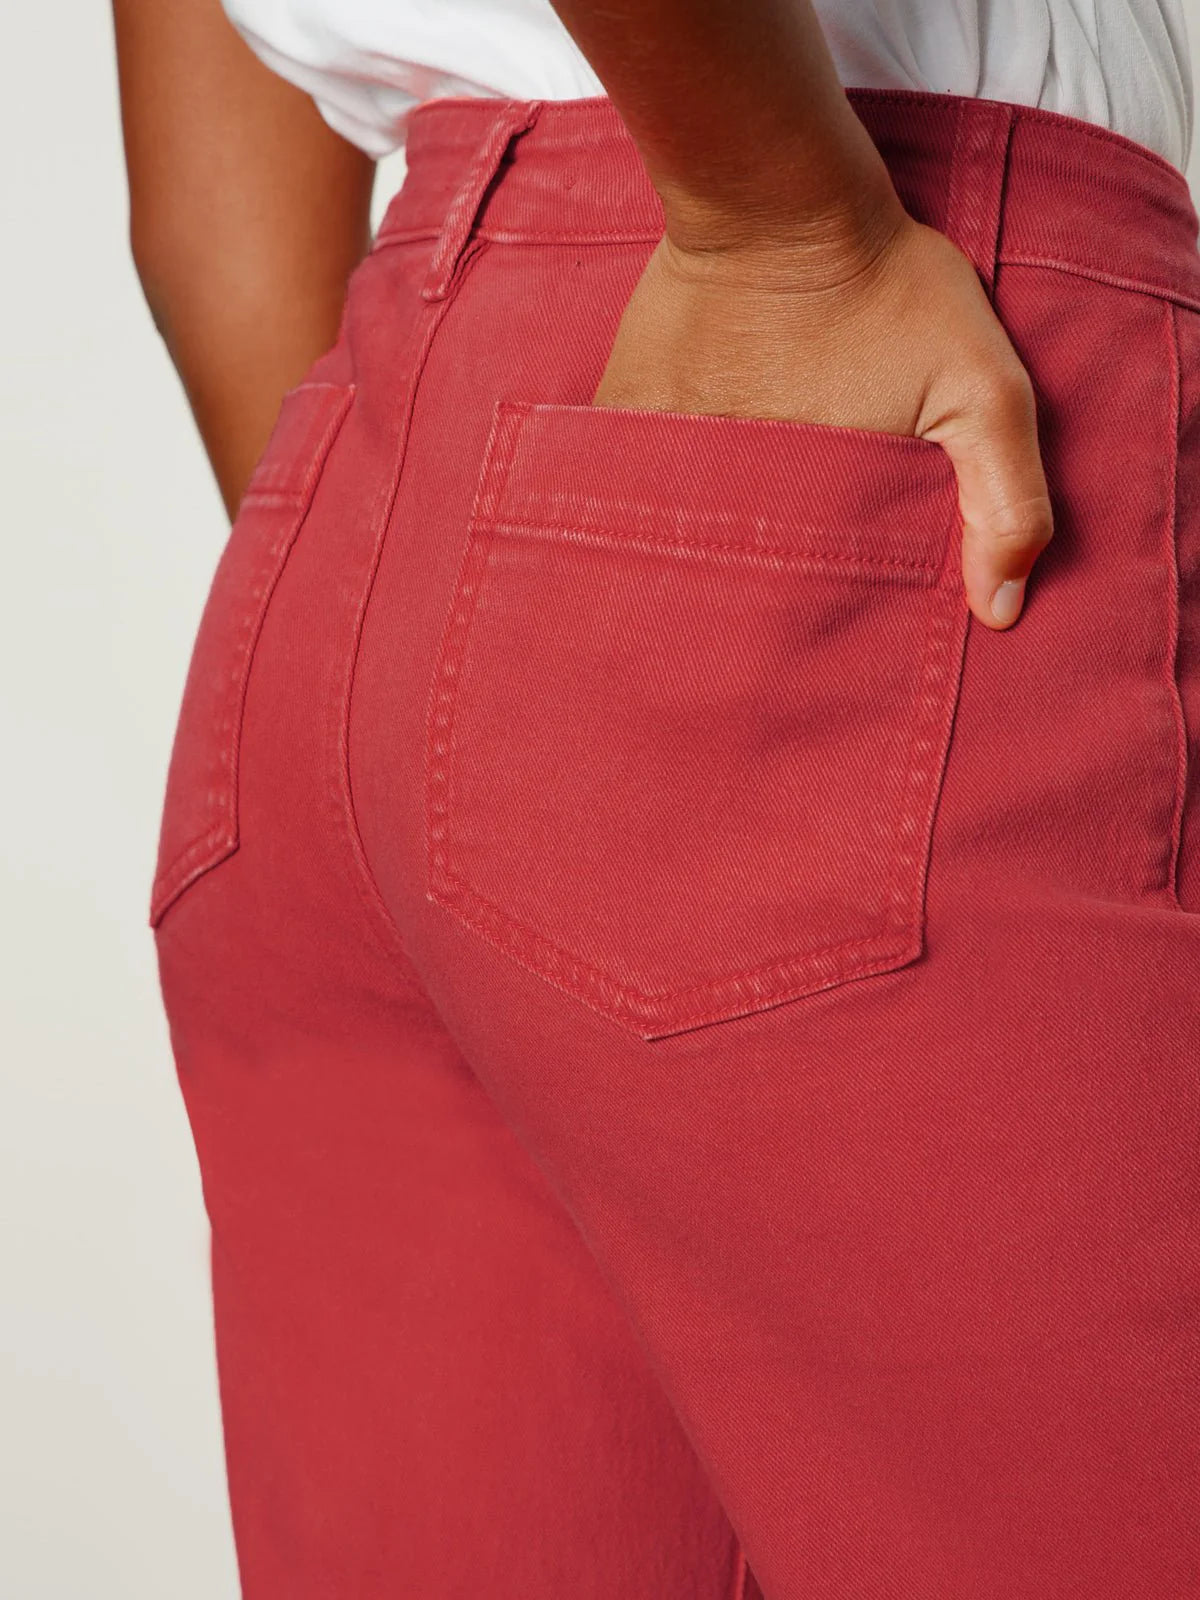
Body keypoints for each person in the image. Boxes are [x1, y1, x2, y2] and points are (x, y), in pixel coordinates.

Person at [113, 1, 1200, 1595]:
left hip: (371, 491)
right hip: (850, 358)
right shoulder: (788, 238)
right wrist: (783, 232)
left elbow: (201, 200)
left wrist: (436, 618)